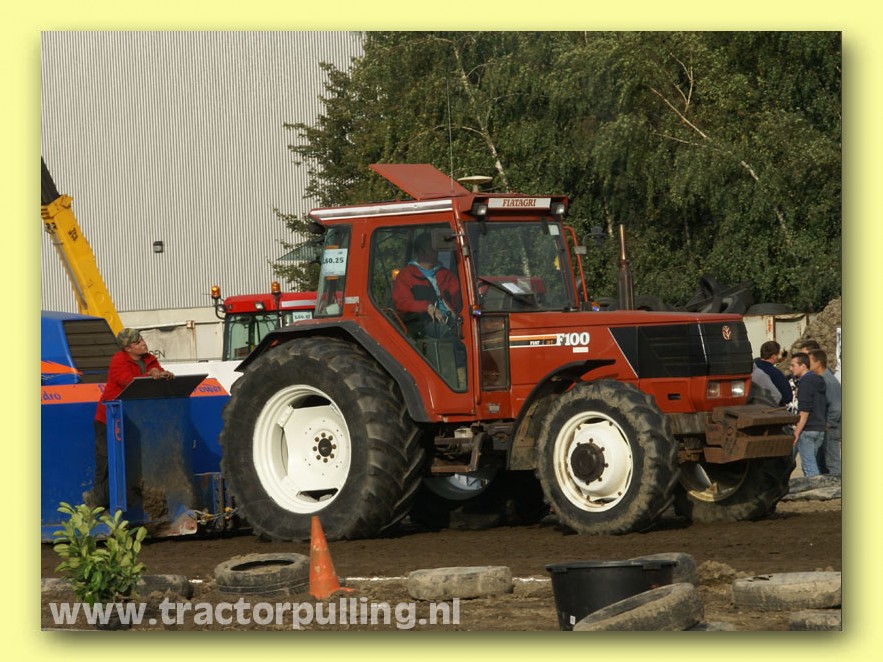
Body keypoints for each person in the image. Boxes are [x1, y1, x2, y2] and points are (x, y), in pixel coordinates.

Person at [84, 328, 174, 508]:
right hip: (109, 419)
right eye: (137, 342)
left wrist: (164, 375)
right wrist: (150, 375)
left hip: (132, 420)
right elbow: (128, 383)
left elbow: (156, 374)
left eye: (142, 339)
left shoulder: (150, 359)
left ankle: (125, 503)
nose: (143, 343)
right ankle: (95, 504)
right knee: (106, 463)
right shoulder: (118, 361)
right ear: (128, 349)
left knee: (131, 462)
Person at [392, 233, 466, 385]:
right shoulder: (406, 275)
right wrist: (426, 306)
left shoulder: (445, 274)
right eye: (432, 248)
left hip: (451, 319)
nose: (436, 251)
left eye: (436, 248)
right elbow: (401, 302)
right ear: (420, 252)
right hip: (420, 322)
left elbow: (460, 297)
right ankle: (458, 378)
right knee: (447, 334)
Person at [789, 352, 827, 477]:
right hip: (819, 428)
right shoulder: (819, 379)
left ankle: (815, 488)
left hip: (808, 429)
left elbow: (804, 412)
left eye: (793, 365)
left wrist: (796, 433)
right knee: (812, 463)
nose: (790, 368)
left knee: (809, 466)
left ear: (803, 366)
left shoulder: (805, 383)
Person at [809, 349, 841, 476]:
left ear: (818, 363)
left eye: (810, 361)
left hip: (830, 428)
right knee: (821, 460)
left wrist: (829, 423)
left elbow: (837, 407)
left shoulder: (829, 381)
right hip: (823, 426)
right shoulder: (820, 379)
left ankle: (837, 483)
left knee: (831, 460)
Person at [753, 340, 792, 406]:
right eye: (778, 354)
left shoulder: (752, 367)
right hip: (771, 408)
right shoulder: (775, 374)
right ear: (773, 356)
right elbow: (787, 397)